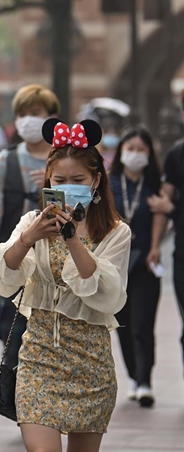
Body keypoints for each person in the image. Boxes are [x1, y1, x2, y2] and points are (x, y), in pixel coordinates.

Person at [0, 118, 129, 452]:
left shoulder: (115, 232)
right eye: (59, 180)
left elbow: (108, 294)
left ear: (95, 181)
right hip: (39, 355)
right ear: (48, 180)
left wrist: (73, 240)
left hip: (90, 360)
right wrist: (28, 237)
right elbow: (4, 276)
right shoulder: (31, 224)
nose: (68, 186)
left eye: (77, 179)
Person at [0, 84, 61, 367]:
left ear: (51, 117)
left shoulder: (65, 160)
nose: (28, 119)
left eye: (35, 113)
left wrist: (52, 184)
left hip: (57, 259)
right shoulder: (6, 159)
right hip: (16, 255)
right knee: (11, 329)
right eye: (22, 114)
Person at [109, 128, 163, 408]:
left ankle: (145, 381)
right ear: (120, 151)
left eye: (142, 149)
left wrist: (155, 245)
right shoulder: (108, 184)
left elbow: (163, 215)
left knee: (143, 324)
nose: (135, 154)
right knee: (123, 325)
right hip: (116, 267)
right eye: (131, 147)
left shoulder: (155, 183)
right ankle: (133, 375)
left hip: (145, 264)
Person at [149, 131, 184, 390]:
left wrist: (175, 210)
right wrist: (154, 245)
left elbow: (170, 206)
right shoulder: (177, 154)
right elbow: (164, 201)